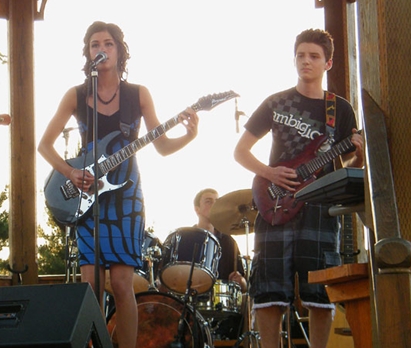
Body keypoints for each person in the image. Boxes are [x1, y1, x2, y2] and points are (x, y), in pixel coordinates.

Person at [37, 21, 199, 347]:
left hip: (125, 193)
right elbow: (44, 145)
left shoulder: (138, 95)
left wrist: (189, 135)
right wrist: (69, 173)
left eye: (108, 43)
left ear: (119, 51)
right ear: (88, 53)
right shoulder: (77, 94)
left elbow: (162, 146)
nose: (102, 49)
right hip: (85, 192)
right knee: (91, 284)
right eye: (95, 44)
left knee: (123, 283)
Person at [233, 29, 364, 348]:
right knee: (269, 288)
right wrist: (270, 173)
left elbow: (347, 170)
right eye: (301, 55)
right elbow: (240, 152)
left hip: (321, 207)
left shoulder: (341, 110)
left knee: (320, 290)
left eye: (314, 56)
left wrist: (360, 153)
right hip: (274, 201)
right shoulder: (276, 102)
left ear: (328, 63)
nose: (306, 61)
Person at [192, 188, 247, 340]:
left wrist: (240, 281)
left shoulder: (229, 242)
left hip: (222, 305)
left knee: (248, 300)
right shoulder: (186, 239)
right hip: (192, 300)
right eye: (209, 202)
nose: (214, 205)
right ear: (197, 209)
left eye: (217, 202)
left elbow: (244, 285)